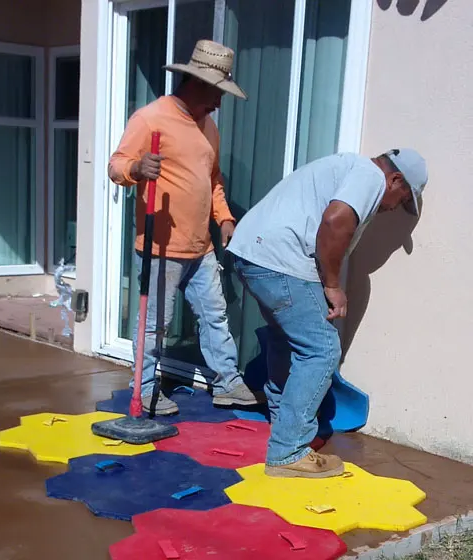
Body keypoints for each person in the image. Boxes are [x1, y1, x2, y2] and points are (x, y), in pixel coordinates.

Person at [227, 148, 428, 478]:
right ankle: (289, 450)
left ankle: (283, 422)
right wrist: (333, 284)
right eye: (403, 198)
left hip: (252, 254)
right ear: (395, 179)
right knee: (321, 349)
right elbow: (336, 221)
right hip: (281, 259)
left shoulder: (347, 167)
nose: (393, 208)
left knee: (286, 339)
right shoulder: (369, 177)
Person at [108, 39, 264, 416]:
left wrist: (224, 218)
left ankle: (227, 383)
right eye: (217, 93)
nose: (219, 103)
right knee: (154, 325)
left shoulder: (208, 126)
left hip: (201, 247)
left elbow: (213, 181)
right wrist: (136, 169)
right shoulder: (150, 119)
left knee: (215, 316)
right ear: (197, 84)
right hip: (161, 246)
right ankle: (144, 391)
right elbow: (116, 165)